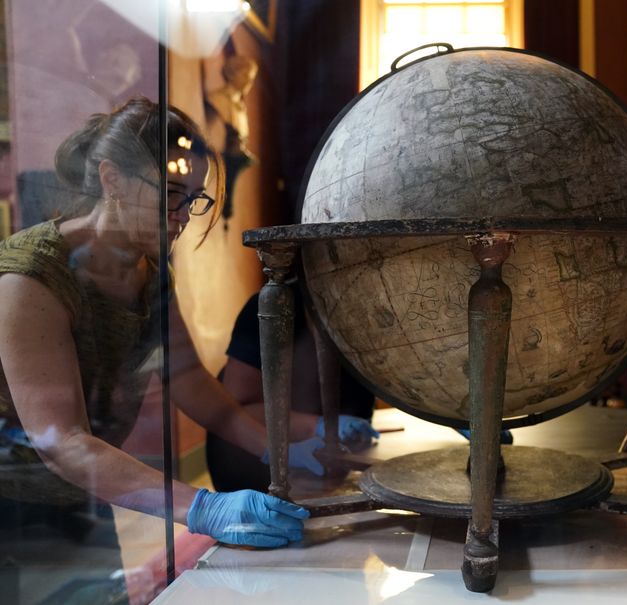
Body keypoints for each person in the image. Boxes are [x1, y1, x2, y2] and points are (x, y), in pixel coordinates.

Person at [0, 98, 320, 562]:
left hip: (87, 490)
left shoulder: (150, 270)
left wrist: (278, 452)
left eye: (194, 198)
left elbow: (189, 381)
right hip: (14, 502)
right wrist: (202, 508)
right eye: (171, 193)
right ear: (112, 179)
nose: (184, 215)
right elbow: (62, 442)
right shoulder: (31, 277)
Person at [206, 289, 380, 493]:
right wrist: (316, 426)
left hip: (328, 476)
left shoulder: (367, 313)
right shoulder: (271, 309)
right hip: (254, 472)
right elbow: (234, 411)